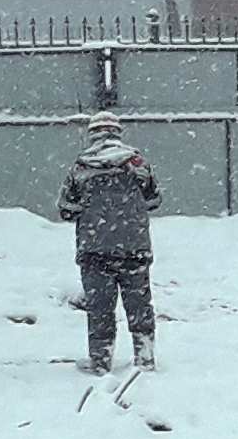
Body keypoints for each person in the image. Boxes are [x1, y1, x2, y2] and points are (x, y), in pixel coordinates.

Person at [58, 110, 162, 372]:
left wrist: (94, 211)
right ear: (117, 133)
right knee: (139, 305)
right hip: (134, 248)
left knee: (100, 309)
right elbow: (154, 201)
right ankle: (145, 356)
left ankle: (101, 361)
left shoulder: (81, 167)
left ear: (92, 134)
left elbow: (66, 208)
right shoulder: (138, 163)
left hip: (95, 251)